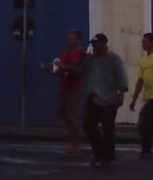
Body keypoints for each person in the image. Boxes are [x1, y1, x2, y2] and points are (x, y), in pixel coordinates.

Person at [81, 33, 128, 168]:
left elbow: (121, 77)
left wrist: (121, 94)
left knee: (108, 128)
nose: (94, 47)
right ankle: (99, 152)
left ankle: (107, 156)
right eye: (93, 45)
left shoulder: (114, 59)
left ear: (104, 44)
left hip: (109, 98)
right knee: (88, 125)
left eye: (96, 44)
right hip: (93, 96)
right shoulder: (91, 59)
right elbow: (79, 70)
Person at [41, 29, 85, 157]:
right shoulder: (64, 53)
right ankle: (72, 143)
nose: (69, 40)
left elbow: (79, 70)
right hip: (63, 87)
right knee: (64, 114)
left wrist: (64, 67)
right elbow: (58, 70)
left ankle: (76, 144)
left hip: (74, 88)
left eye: (72, 38)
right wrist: (51, 69)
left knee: (71, 115)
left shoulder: (81, 54)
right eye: (68, 38)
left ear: (78, 40)